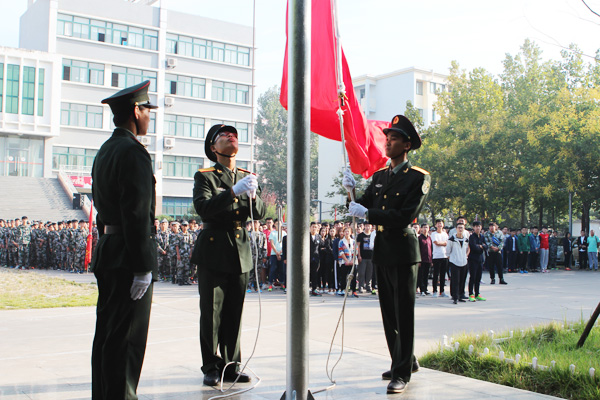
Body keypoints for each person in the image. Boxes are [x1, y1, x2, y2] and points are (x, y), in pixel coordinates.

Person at [344, 114, 430, 394]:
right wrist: (351, 191)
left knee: (403, 312)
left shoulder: (418, 178)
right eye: (387, 137)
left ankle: (402, 372)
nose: (388, 142)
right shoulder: (380, 176)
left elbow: (405, 215)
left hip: (403, 250)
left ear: (406, 145)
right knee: (388, 314)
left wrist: (368, 212)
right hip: (382, 249)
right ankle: (402, 361)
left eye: (393, 138)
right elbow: (362, 204)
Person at [90, 80, 158, 400]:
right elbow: (136, 215)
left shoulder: (106, 150)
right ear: (135, 110)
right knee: (127, 341)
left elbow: (104, 210)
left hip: (109, 250)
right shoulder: (133, 152)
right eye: (147, 110)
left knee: (106, 335)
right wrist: (143, 266)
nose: (149, 117)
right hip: (128, 258)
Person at [191, 123, 266, 387]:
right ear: (214, 148)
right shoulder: (206, 176)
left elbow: (259, 213)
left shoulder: (246, 174)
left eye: (233, 134)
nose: (231, 136)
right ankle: (212, 366)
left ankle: (232, 365)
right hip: (214, 248)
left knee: (234, 312)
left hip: (240, 251)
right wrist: (233, 192)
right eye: (223, 135)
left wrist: (254, 196)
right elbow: (203, 208)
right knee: (212, 312)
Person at [447, 222, 470, 304]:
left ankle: (460, 295)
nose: (460, 229)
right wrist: (452, 259)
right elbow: (448, 251)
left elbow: (467, 249)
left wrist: (465, 256)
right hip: (454, 262)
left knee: (462, 280)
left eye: (462, 228)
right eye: (459, 227)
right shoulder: (452, 239)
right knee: (455, 280)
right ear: (456, 229)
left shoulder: (466, 239)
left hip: (464, 261)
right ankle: (455, 297)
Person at [467, 221, 487, 301]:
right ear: (473, 227)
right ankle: (471, 294)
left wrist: (481, 246)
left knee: (478, 277)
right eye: (476, 226)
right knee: (473, 277)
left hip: (480, 259)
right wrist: (481, 247)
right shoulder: (472, 237)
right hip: (473, 259)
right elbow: (473, 247)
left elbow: (486, 246)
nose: (478, 228)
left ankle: (477, 293)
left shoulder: (482, 236)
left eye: (479, 226)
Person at [431, 219, 449, 298]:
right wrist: (443, 243)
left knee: (442, 275)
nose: (439, 225)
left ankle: (442, 291)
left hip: (444, 256)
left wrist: (443, 243)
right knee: (436, 274)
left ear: (443, 225)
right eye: (438, 224)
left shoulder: (445, 234)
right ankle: (434, 291)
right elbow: (436, 243)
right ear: (436, 225)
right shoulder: (434, 234)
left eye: (441, 223)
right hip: (436, 256)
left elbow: (447, 243)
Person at [417, 223, 432, 296]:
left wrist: (431, 259)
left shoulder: (429, 238)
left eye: (427, 227)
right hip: (421, 259)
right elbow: (417, 249)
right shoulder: (419, 238)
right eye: (424, 227)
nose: (425, 229)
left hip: (428, 259)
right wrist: (418, 260)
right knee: (421, 275)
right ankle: (422, 289)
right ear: (421, 229)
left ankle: (425, 289)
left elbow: (431, 248)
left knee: (426, 275)